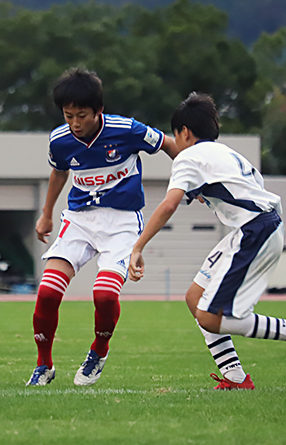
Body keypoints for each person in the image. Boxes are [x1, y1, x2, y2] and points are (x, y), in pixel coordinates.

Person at [129, 92, 286, 390]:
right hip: (255, 228)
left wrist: (137, 246)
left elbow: (168, 205)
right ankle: (234, 376)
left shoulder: (188, 156)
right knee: (195, 298)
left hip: (255, 231)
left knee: (210, 317)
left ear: (185, 133)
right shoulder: (227, 154)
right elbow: (254, 189)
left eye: (175, 136)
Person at [26, 68, 179, 386]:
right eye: (68, 116)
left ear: (99, 111)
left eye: (81, 115)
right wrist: (46, 213)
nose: (75, 123)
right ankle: (44, 365)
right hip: (80, 219)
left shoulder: (128, 130)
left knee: (105, 296)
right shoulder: (60, 140)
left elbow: (168, 143)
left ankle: (99, 350)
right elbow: (58, 173)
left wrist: (196, 180)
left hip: (122, 222)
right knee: (47, 292)